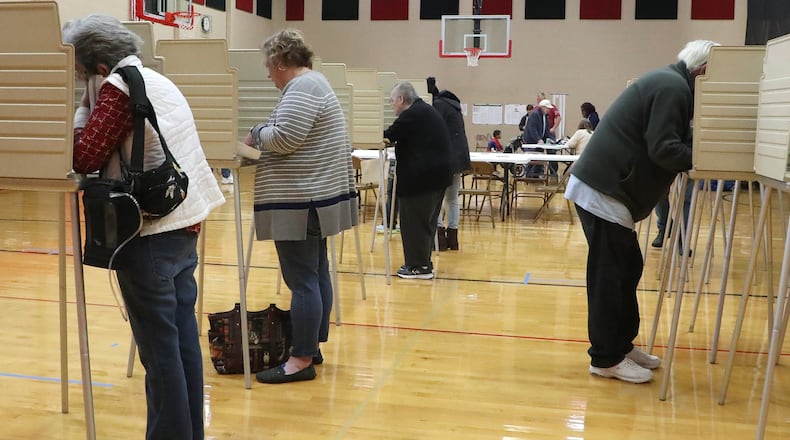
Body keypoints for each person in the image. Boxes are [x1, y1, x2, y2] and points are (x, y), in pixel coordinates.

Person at [64, 14, 226, 439]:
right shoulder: (157, 80)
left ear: (98, 67)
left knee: (159, 354)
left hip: (149, 235)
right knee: (182, 341)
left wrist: (83, 107)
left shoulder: (117, 88)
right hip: (184, 223)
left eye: (81, 73)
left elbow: (85, 156)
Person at [564, 39, 719, 384]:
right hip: (605, 190)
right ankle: (605, 358)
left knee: (627, 268)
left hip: (609, 189)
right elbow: (664, 148)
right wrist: (708, 156)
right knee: (609, 277)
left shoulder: (671, 83)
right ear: (704, 72)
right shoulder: (673, 88)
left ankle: (620, 345)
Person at [244, 29, 358, 383]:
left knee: (302, 281)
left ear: (279, 62)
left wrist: (256, 129)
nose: (267, 74)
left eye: (268, 66)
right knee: (315, 274)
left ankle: (301, 359)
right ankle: (311, 345)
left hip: (300, 199)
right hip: (312, 197)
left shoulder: (304, 87)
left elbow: (283, 138)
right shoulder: (314, 84)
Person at [384, 81, 452, 279]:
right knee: (425, 222)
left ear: (401, 99)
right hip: (435, 177)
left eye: (392, 101)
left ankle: (418, 266)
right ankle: (423, 263)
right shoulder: (424, 111)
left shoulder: (412, 115)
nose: (392, 106)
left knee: (413, 223)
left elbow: (390, 134)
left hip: (421, 179)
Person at [426, 79, 472, 251]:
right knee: (452, 200)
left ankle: (439, 240)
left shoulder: (437, 105)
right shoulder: (452, 106)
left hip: (444, 160)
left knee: (436, 199)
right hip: (458, 159)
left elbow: (432, 133)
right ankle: (453, 239)